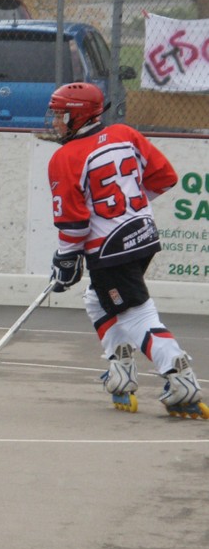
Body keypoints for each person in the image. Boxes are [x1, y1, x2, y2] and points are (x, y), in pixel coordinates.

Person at [44, 82, 206, 418]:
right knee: (97, 299)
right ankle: (121, 368)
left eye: (62, 115)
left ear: (79, 116)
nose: (56, 122)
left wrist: (66, 258)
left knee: (135, 313)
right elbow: (165, 177)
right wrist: (129, 210)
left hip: (109, 250)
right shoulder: (125, 134)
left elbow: (73, 222)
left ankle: (179, 375)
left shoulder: (65, 157)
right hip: (143, 236)